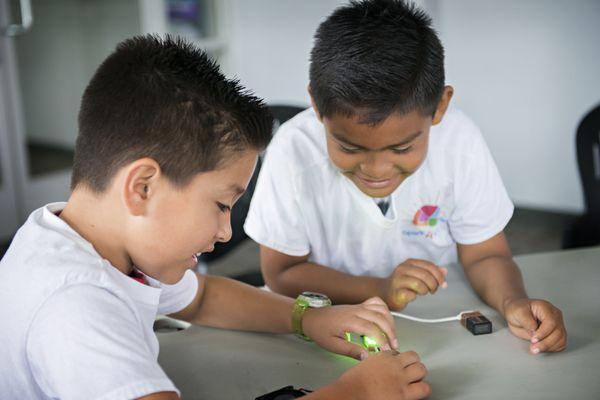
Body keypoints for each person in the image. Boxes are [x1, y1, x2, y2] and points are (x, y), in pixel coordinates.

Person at [0, 35, 431, 400]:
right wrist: (354, 393)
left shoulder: (86, 239)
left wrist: (307, 319)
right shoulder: (75, 307)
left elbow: (203, 297)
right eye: (222, 205)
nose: (226, 232)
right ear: (142, 187)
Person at [244, 0, 567, 355]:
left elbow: (486, 255)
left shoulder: (460, 142)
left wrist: (513, 303)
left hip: (439, 324)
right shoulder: (292, 151)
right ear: (317, 107)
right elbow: (282, 272)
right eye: (349, 148)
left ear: (440, 107)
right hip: (321, 329)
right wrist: (379, 289)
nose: (376, 171)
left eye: (400, 149)